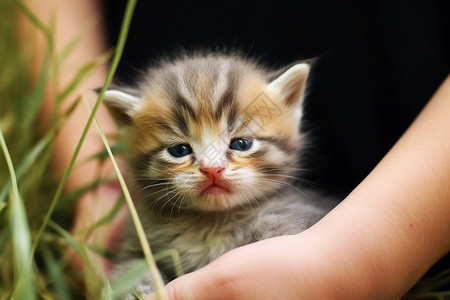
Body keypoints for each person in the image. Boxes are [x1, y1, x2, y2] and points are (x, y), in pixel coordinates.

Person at [23, 0, 450, 298]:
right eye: (178, 150)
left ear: (290, 107)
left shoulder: (287, 226)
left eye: (240, 144)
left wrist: (366, 260)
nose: (211, 168)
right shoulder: (145, 224)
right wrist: (95, 184)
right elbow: (129, 273)